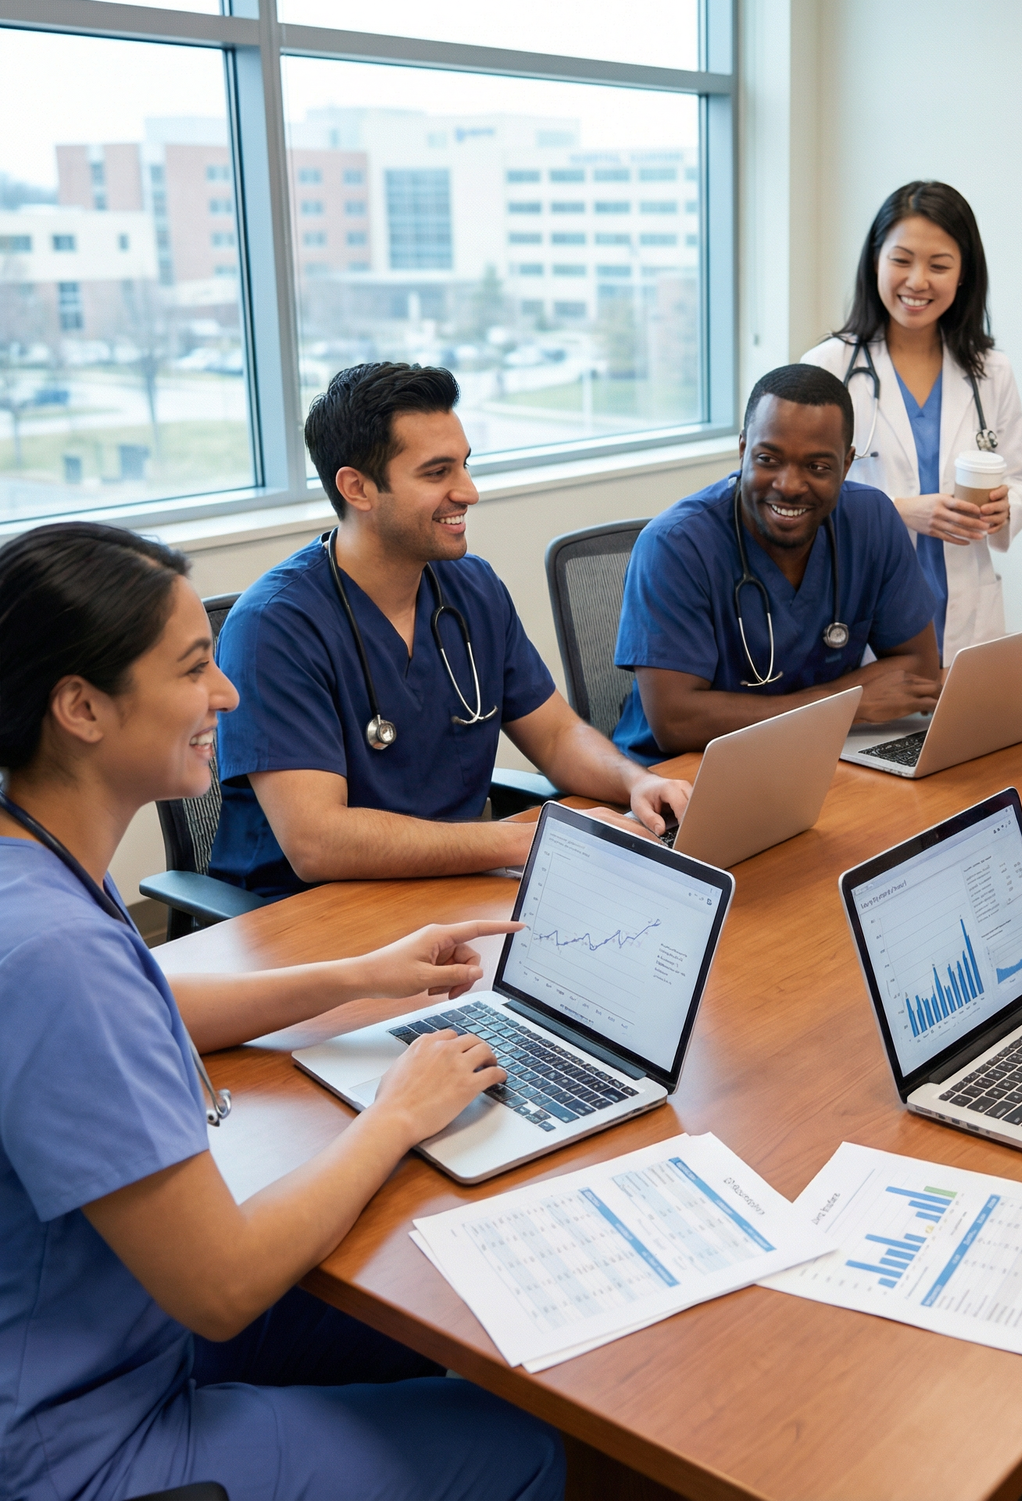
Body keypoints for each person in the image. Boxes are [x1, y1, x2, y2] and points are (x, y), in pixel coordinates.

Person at [0, 522, 565, 1501]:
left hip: (107, 1328)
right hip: (83, 1440)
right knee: (531, 1446)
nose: (225, 693)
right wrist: (397, 1112)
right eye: (192, 669)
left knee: (444, 1312)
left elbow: (148, 1001)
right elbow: (221, 1289)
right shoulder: (54, 955)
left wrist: (358, 975)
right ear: (81, 706)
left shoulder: (29, 865)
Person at [210, 361, 688, 898]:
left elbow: (556, 735)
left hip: (449, 886)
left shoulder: (472, 588)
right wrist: (516, 843)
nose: (469, 491)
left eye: (464, 465)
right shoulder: (274, 627)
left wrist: (636, 782)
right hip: (303, 916)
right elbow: (318, 842)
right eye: (438, 473)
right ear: (358, 488)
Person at [612, 363, 941, 763]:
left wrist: (815, 715)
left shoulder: (871, 520)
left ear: (848, 463)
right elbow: (678, 723)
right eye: (768, 459)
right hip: (678, 779)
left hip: (817, 756)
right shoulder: (676, 546)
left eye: (817, 467)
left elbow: (921, 670)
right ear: (742, 449)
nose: (788, 485)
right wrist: (846, 703)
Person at [802, 180, 1022, 660]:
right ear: (875, 261)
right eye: (902, 260)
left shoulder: (991, 371)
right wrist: (899, 512)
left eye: (940, 265)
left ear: (964, 273)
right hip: (860, 605)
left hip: (967, 609)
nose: (918, 281)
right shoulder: (828, 368)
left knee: (970, 729)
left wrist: (1004, 508)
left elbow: (1021, 481)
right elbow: (795, 494)